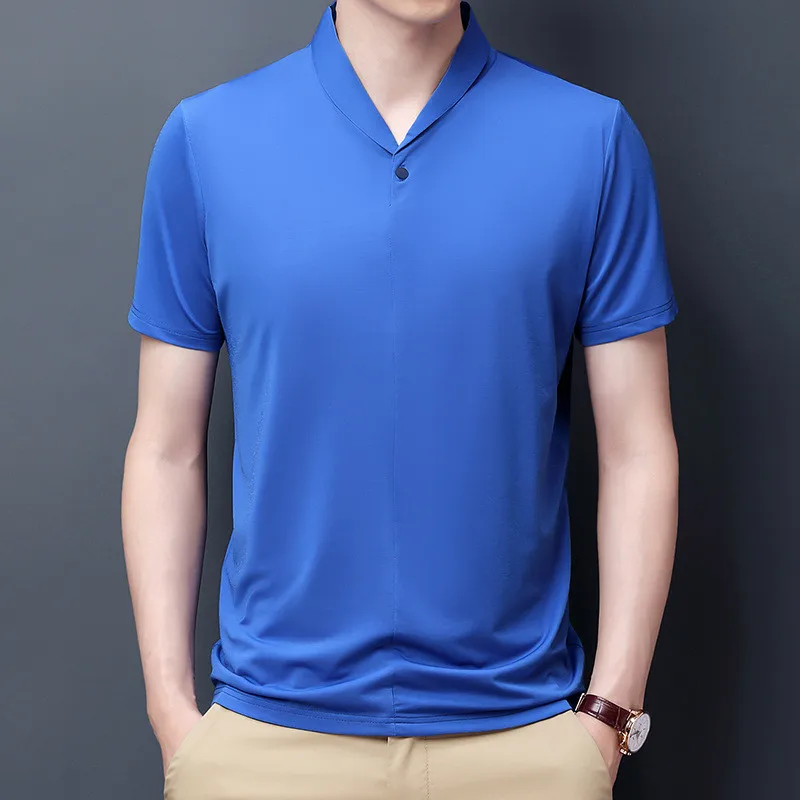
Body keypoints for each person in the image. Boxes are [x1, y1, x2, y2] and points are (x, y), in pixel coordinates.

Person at [121, 1, 680, 798]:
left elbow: (638, 449)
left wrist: (609, 716)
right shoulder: (207, 140)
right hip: (265, 745)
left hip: (524, 744)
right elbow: (165, 448)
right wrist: (173, 715)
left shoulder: (591, 140)